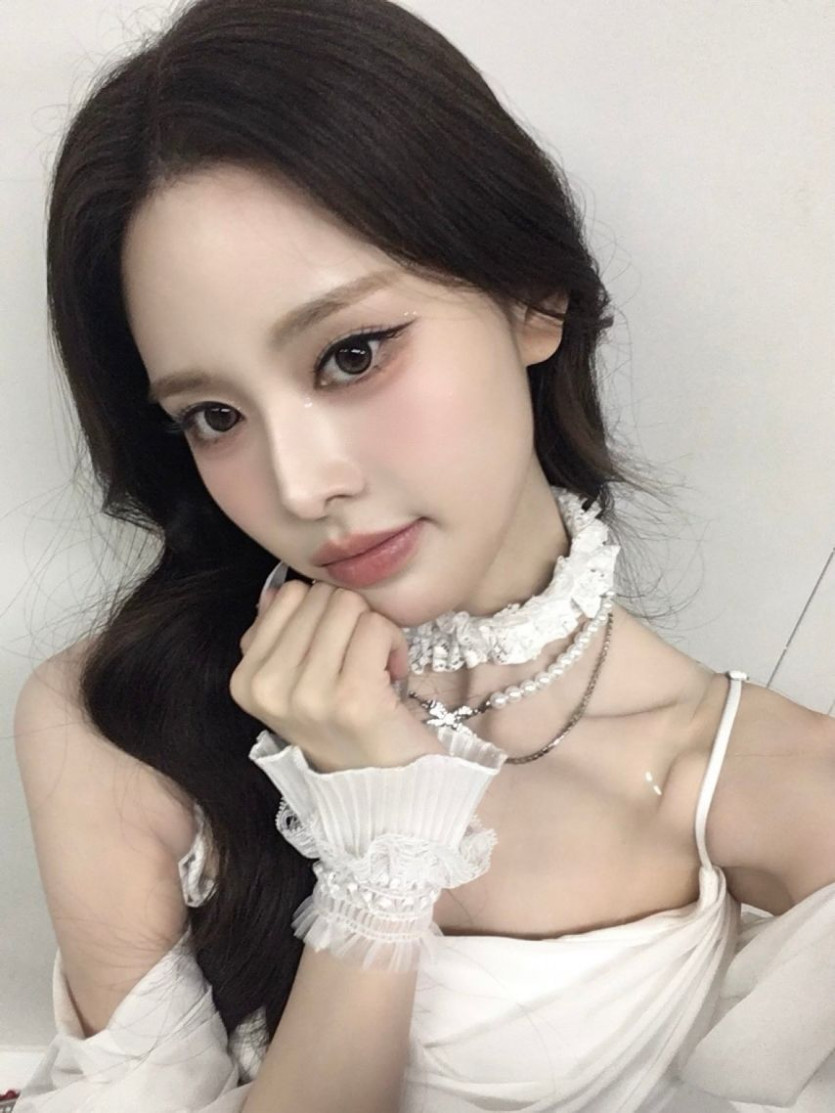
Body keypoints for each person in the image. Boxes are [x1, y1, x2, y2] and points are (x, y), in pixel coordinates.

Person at [12, 0, 835, 1110]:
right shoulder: (118, 717)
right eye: (214, 415)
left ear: (532, 296)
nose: (300, 487)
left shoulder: (772, 780)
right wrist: (381, 856)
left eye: (351, 354)